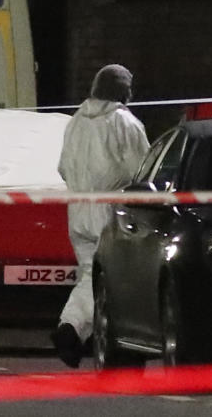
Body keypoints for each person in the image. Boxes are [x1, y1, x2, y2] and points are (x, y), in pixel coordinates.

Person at [51, 64, 149, 368]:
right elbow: (142, 170)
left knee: (88, 275)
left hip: (77, 211)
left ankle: (77, 331)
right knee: (103, 280)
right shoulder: (124, 123)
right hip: (108, 213)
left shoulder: (76, 121)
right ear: (121, 91)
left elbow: (63, 167)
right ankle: (70, 329)